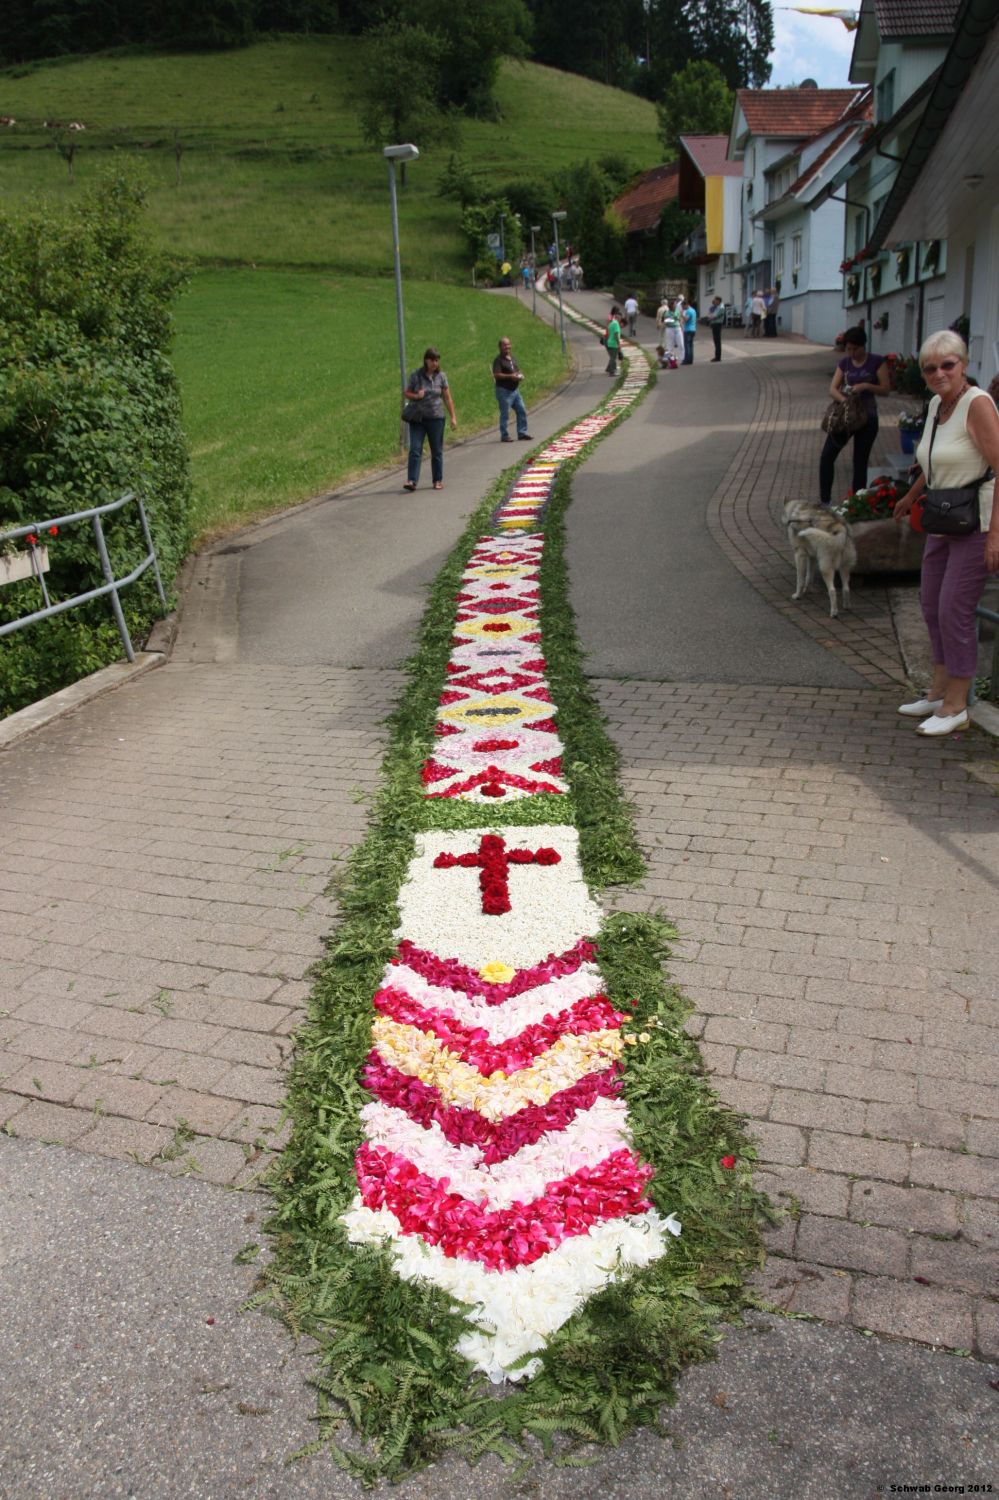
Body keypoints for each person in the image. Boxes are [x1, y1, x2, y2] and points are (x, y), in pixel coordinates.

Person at [892, 331, 999, 736]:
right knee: (932, 604)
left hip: (976, 521)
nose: (938, 373)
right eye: (929, 367)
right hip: (943, 516)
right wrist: (911, 495)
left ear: (964, 365)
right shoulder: (940, 404)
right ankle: (938, 692)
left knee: (955, 607)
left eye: (947, 365)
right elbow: (934, 461)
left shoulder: (978, 405)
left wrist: (995, 535)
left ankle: (957, 704)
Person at [819, 325, 890, 505]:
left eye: (854, 349)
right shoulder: (845, 363)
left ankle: (856, 503)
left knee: (860, 461)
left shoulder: (876, 361)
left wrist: (866, 386)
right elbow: (833, 388)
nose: (851, 352)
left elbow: (885, 389)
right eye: (848, 349)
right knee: (827, 456)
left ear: (863, 345)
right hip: (847, 416)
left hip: (867, 415)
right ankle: (825, 501)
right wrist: (844, 401)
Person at [402, 347, 457, 492]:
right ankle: (412, 480)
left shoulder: (441, 377)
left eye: (437, 360)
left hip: (436, 419)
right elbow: (406, 392)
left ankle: (437, 480)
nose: (435, 363)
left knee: (436, 451)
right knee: (415, 449)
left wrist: (453, 417)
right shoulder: (416, 376)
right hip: (418, 419)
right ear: (426, 360)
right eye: (432, 360)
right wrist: (416, 396)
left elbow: (447, 398)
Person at [492, 336, 531, 443]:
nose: (507, 347)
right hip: (504, 391)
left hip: (515, 390)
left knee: (521, 410)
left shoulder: (512, 358)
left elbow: (517, 370)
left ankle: (522, 433)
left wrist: (520, 375)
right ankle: (504, 435)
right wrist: (511, 377)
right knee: (505, 414)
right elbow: (496, 375)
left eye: (508, 344)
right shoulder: (498, 360)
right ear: (500, 347)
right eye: (504, 345)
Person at [660, 300, 683, 368]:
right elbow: (665, 321)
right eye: (674, 305)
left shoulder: (677, 311)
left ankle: (682, 359)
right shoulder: (666, 312)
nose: (676, 306)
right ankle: (665, 362)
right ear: (671, 306)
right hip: (669, 329)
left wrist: (680, 325)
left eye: (676, 305)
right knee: (669, 347)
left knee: (681, 345)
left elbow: (680, 320)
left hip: (677, 328)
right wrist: (674, 319)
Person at [605, 306, 622, 375]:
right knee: (613, 358)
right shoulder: (616, 324)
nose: (621, 319)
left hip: (610, 342)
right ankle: (612, 372)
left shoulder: (612, 323)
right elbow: (616, 335)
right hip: (614, 343)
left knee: (612, 357)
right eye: (620, 318)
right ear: (618, 317)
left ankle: (609, 369)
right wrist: (619, 343)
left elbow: (608, 332)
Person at [707, 296, 725, 361]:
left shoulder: (721, 307)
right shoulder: (718, 307)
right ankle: (717, 356)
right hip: (714, 324)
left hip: (717, 324)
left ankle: (718, 357)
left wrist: (710, 317)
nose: (714, 301)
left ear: (718, 301)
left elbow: (715, 315)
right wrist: (710, 317)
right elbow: (711, 314)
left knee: (717, 341)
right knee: (716, 341)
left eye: (715, 300)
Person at [682, 299, 698, 364]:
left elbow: (686, 319)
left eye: (683, 306)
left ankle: (687, 360)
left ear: (686, 305)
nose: (683, 308)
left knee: (687, 345)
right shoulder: (693, 310)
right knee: (691, 345)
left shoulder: (688, 311)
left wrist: (681, 315)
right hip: (693, 329)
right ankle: (690, 360)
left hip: (688, 330)